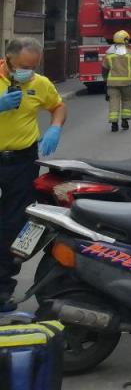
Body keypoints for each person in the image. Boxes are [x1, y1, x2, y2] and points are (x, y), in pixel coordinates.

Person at [0, 37, 66, 309]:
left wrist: (55, 127)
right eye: (24, 66)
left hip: (22, 162)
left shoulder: (40, 84)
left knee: (13, 226)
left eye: (34, 67)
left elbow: (58, 106)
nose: (29, 73)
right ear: (8, 59)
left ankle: (2, 290)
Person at [103, 29, 131, 131]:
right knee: (127, 100)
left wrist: (105, 80)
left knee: (113, 101)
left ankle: (114, 124)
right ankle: (125, 121)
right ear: (126, 40)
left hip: (112, 83)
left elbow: (104, 69)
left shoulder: (109, 54)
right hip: (127, 83)